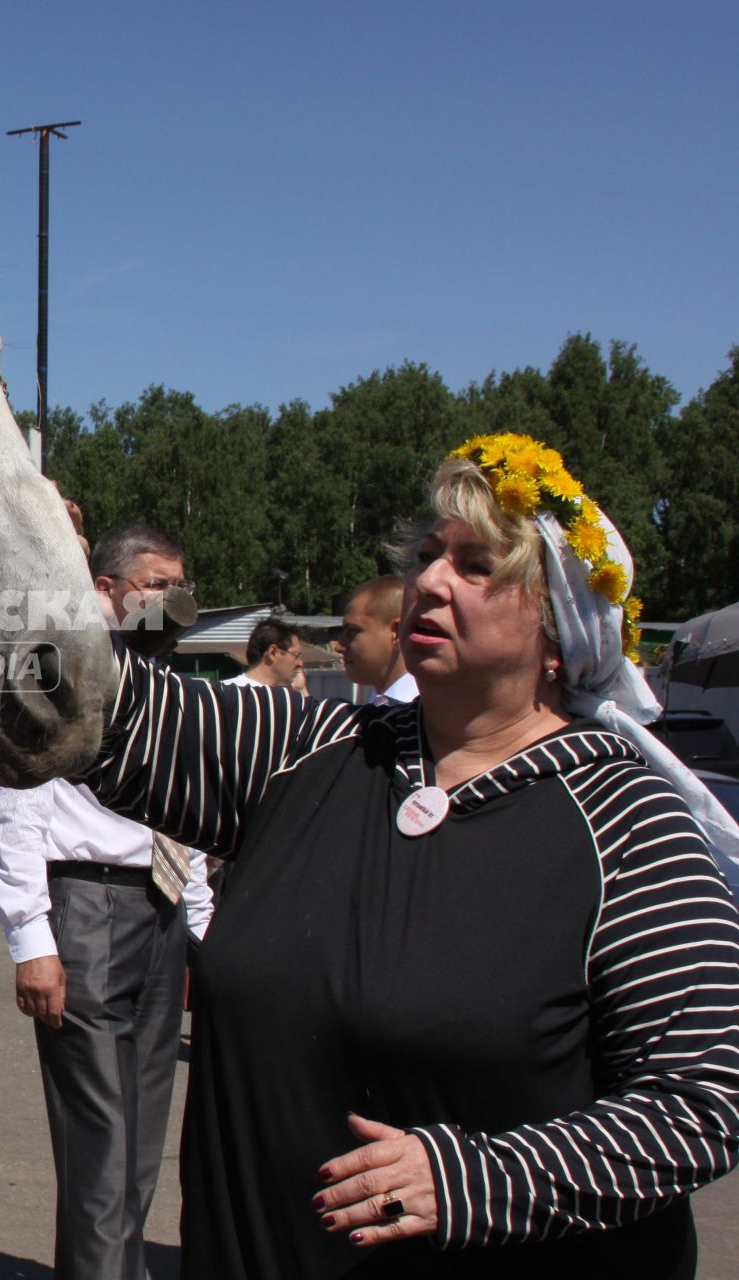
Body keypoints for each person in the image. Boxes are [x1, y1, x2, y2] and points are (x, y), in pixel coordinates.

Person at [82, 433, 739, 1278]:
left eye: (475, 566)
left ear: (560, 629)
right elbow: (104, 710)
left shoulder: (625, 818)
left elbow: (701, 1100)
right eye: (429, 555)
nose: (428, 581)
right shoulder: (316, 748)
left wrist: (475, 1180)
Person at [0, 523, 213, 1280]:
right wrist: (32, 940)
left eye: (179, 585)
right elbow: (18, 806)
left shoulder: (169, 683)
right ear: (107, 591)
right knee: (101, 1133)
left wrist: (200, 925)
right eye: (156, 583)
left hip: (161, 906)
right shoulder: (59, 672)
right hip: (86, 905)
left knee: (145, 1128)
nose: (170, 599)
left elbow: (187, 812)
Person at [335, 574, 416, 703]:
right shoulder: (370, 710)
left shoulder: (434, 714)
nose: (338, 647)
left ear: (397, 632)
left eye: (352, 631)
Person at [221, 618, 304, 689]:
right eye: (296, 656)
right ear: (273, 652)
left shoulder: (287, 699)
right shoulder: (224, 694)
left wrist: (301, 689)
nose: (300, 663)